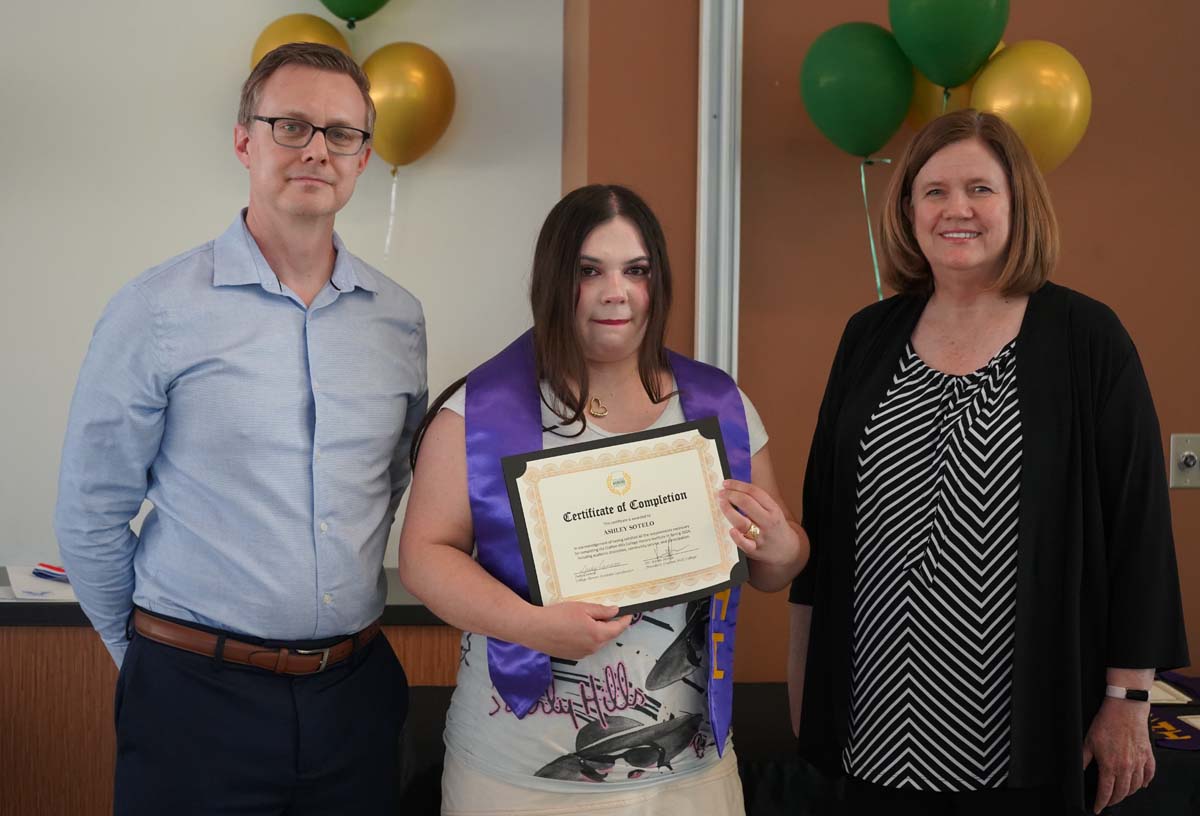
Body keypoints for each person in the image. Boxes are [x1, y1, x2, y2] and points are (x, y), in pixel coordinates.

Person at [54, 43, 427, 814]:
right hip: (194, 701)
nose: (317, 149)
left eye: (341, 133)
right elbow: (89, 514)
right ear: (243, 141)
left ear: (362, 158)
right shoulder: (156, 310)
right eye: (290, 125)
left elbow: (388, 485)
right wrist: (150, 663)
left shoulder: (399, 319)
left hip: (354, 701)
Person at [787, 109, 1188, 815]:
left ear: (1018, 203)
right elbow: (822, 524)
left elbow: (1139, 530)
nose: (956, 209)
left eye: (980, 188)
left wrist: (1128, 700)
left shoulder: (1086, 338)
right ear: (908, 209)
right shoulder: (867, 338)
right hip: (874, 727)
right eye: (934, 191)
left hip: (1025, 738)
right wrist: (804, 688)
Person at [398, 184, 808, 815]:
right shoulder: (477, 411)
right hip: (516, 779)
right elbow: (426, 556)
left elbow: (775, 565)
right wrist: (530, 626)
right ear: (553, 281)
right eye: (589, 271)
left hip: (689, 776)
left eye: (635, 271)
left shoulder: (718, 404)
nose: (615, 291)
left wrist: (783, 545)